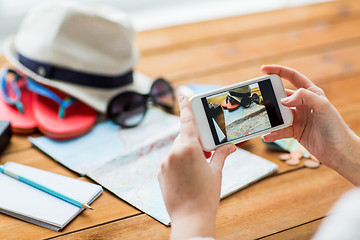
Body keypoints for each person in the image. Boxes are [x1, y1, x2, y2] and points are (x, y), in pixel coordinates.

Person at [157, 65, 360, 240]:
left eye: (231, 103)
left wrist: (189, 216)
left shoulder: (351, 216)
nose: (226, 106)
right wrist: (343, 151)